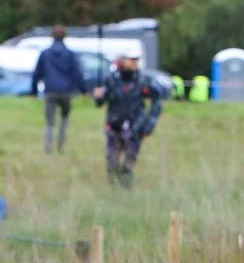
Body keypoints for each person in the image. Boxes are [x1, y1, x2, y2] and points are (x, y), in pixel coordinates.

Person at [93, 53, 163, 187]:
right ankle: (113, 186)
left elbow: (157, 101)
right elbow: (100, 101)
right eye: (131, 60)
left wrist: (150, 123)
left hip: (136, 126)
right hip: (114, 124)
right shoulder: (112, 80)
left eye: (135, 60)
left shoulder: (143, 80)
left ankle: (126, 184)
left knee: (129, 162)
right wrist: (98, 96)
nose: (133, 63)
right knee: (112, 161)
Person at [30, 26, 86, 154]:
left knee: (50, 121)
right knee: (65, 118)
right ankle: (61, 143)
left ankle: (48, 147)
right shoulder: (70, 54)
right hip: (66, 91)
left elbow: (37, 73)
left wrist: (33, 91)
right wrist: (83, 90)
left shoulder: (45, 54)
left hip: (50, 90)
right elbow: (77, 73)